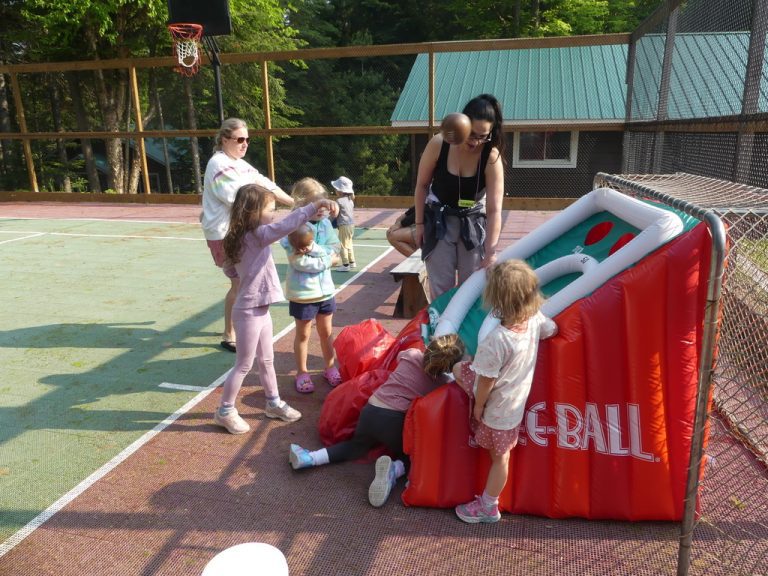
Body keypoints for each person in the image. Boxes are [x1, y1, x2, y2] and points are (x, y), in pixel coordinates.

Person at [288, 334, 465, 507]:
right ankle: (394, 470)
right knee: (413, 456)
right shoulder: (442, 383)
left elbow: (400, 356)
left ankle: (310, 458)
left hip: (370, 411)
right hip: (395, 420)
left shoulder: (411, 355)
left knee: (355, 446)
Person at [212, 183, 334, 434]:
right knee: (244, 364)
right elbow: (286, 226)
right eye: (271, 209)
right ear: (254, 212)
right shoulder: (257, 235)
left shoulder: (243, 237)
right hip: (248, 311)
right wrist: (315, 205)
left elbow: (229, 268)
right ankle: (224, 410)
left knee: (267, 359)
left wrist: (241, 276)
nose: (274, 214)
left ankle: (273, 403)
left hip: (260, 309)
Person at [452, 259, 558, 523]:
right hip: (514, 404)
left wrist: (478, 406)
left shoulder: (497, 340)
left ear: (496, 298)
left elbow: (485, 382)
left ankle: (488, 506)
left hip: (497, 408)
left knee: (499, 457)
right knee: (501, 455)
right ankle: (489, 502)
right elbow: (551, 329)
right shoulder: (533, 318)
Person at [202, 118, 294, 353]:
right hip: (224, 233)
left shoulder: (240, 164)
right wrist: (277, 210)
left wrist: (295, 202)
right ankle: (229, 334)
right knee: (240, 281)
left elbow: (264, 183)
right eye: (239, 139)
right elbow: (239, 200)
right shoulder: (219, 165)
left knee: (242, 281)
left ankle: (239, 327)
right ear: (224, 139)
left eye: (247, 140)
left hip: (240, 231)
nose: (245, 144)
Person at [412, 94, 506, 300]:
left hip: (471, 223)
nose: (476, 141)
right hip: (439, 221)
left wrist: (491, 252)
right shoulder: (439, 143)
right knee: (441, 287)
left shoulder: (491, 157)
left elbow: (494, 210)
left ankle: (465, 332)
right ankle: (441, 331)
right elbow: (421, 185)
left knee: (471, 289)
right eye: (472, 134)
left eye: (483, 136)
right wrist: (419, 224)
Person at [280, 178, 343, 394]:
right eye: (315, 206)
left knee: (327, 332)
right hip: (303, 294)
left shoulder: (326, 223)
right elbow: (299, 262)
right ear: (301, 205)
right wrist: (328, 260)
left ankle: (330, 367)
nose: (320, 210)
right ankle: (302, 372)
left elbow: (336, 248)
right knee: (303, 335)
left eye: (323, 205)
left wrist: (318, 249)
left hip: (325, 292)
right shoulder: (293, 227)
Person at [331, 176, 356, 271]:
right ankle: (352, 262)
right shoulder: (350, 200)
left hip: (343, 225)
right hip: (351, 225)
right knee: (349, 243)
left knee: (342, 245)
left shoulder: (339, 201)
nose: (335, 190)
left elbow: (335, 214)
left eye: (336, 189)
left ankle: (345, 265)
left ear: (340, 191)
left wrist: (327, 220)